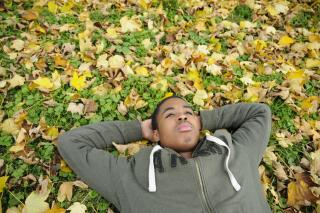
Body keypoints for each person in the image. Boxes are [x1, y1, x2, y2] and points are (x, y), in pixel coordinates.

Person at [57, 95, 272, 213]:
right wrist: (138, 129)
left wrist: (204, 118)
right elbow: (71, 142)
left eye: (188, 114)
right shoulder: (130, 177)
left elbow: (260, 113)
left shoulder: (236, 151)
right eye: (171, 115)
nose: (182, 117)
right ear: (156, 133)